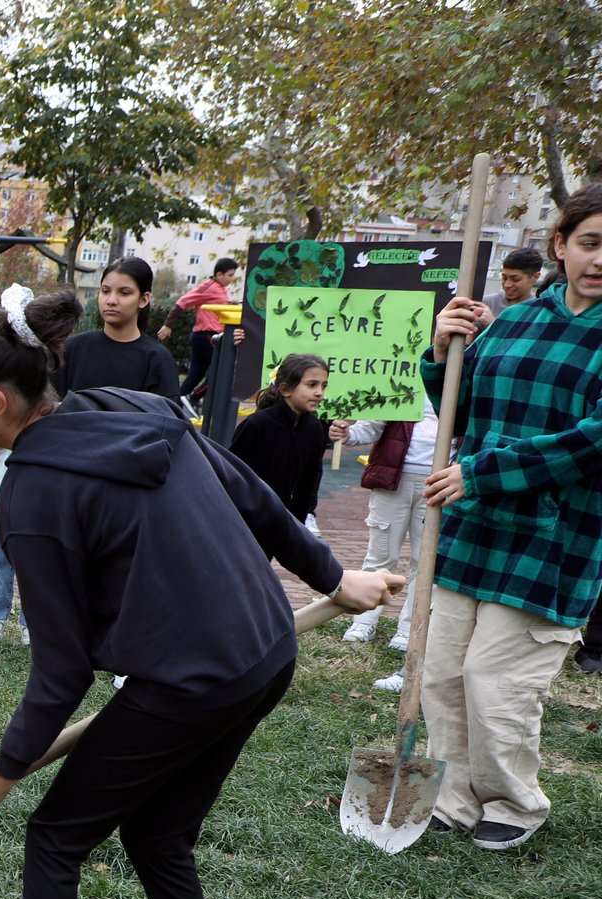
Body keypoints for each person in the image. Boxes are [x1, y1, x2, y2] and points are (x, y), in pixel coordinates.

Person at [0, 286, 398, 899]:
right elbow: (253, 495)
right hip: (264, 651)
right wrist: (334, 574)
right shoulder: (134, 406)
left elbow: (63, 667)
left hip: (191, 680)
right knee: (158, 832)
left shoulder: (33, 495)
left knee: (55, 838)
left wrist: (3, 773)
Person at [418, 185, 602, 851]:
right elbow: (459, 419)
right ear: (561, 245)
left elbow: (590, 442)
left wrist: (481, 473)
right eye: (590, 241)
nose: (599, 258)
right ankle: (454, 793)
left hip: (555, 539)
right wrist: (442, 353)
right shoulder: (509, 323)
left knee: (494, 682)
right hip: (472, 529)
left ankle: (514, 802)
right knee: (441, 672)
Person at [341, 400, 438, 651]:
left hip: (440, 482)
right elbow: (373, 425)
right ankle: (364, 620)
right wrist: (348, 433)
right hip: (393, 478)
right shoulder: (404, 375)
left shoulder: (467, 374)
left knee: (426, 561)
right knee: (380, 554)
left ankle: (409, 628)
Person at [230, 354, 335, 525]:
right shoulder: (258, 424)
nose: (319, 393)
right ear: (286, 389)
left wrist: (296, 525)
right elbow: (234, 475)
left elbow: (308, 481)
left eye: (324, 386)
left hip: (282, 521)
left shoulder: (314, 428)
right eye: (311, 385)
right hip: (246, 519)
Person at [58, 258, 182, 399]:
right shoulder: (72, 349)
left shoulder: (158, 360)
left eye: (124, 293)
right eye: (105, 291)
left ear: (144, 299)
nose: (111, 301)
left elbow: (166, 418)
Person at [158, 256, 241, 404]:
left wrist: (229, 303)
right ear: (219, 274)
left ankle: (175, 403)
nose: (231, 279)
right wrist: (168, 324)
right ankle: (195, 397)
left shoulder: (220, 288)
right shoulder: (208, 286)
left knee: (196, 374)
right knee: (222, 370)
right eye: (230, 275)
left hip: (206, 336)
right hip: (206, 336)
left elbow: (213, 304)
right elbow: (183, 301)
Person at [0, 447, 27, 643]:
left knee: (34, 568)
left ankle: (30, 622)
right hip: (5, 503)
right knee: (1, 563)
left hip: (38, 506)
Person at [484, 247, 544, 319]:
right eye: (504, 278)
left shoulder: (539, 312)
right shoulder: (485, 303)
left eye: (515, 279)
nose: (507, 285)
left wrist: (491, 324)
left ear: (535, 277)